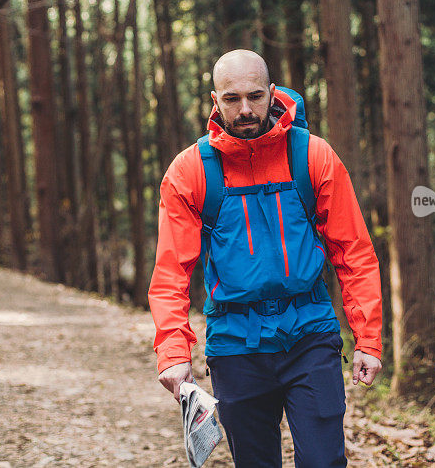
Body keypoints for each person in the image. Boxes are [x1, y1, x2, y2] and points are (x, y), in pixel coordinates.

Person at [148, 49, 382, 467]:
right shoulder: (190, 171)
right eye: (232, 98)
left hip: (309, 333)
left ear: (272, 93)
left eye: (255, 96)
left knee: (324, 462)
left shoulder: (313, 155)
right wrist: (173, 351)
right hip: (235, 342)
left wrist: (368, 339)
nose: (245, 110)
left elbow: (354, 252)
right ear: (214, 100)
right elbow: (171, 271)